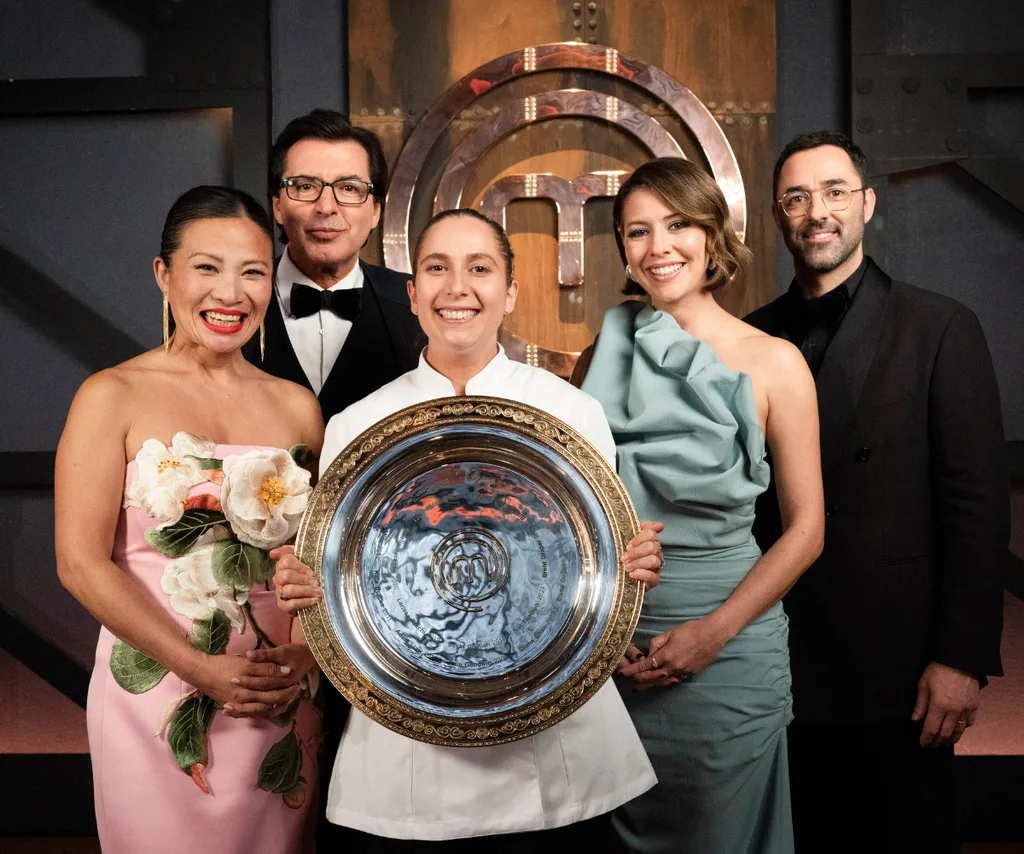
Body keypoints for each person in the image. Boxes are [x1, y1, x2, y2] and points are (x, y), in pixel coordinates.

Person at [272, 208, 666, 851]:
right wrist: (308, 585)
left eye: (479, 268)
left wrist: (631, 565)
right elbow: (344, 584)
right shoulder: (356, 426)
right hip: (408, 747)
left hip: (553, 747)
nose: (457, 287)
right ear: (413, 293)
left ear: (510, 292)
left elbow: (597, 562)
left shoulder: (573, 414)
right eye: (437, 268)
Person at [745, 130, 1009, 853]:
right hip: (776, 657)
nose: (817, 212)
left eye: (834, 192)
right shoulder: (747, 338)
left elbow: (977, 509)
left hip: (899, 666)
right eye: (797, 198)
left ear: (866, 204)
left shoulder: (940, 326)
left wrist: (961, 658)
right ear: (778, 216)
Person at [55, 186, 325, 854]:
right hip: (155, 697)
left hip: (276, 700)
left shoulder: (298, 407)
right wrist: (197, 669)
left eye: (252, 272)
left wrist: (302, 655)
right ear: (164, 274)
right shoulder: (111, 395)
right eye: (207, 267)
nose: (229, 293)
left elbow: (316, 560)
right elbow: (80, 564)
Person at [573, 157, 825, 854]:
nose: (659, 247)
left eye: (677, 224)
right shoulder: (597, 357)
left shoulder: (775, 362)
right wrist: (599, 637)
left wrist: (713, 634)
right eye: (638, 231)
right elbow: (574, 517)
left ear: (712, 233)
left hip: (730, 648)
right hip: (613, 653)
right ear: (623, 248)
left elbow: (807, 531)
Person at [243, 108, 423, 422]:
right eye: (305, 186)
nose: (326, 207)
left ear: (376, 211)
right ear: (278, 206)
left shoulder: (419, 306)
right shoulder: (229, 301)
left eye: (349, 188)